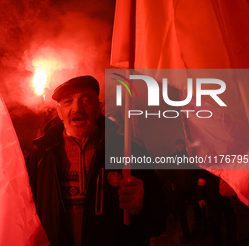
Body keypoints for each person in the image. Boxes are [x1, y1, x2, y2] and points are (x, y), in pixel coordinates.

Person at [25, 75, 166, 246]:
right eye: (68, 101)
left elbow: (158, 222)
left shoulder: (130, 151)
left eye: (86, 100)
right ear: (59, 112)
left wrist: (141, 207)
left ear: (98, 109)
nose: (77, 109)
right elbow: (23, 218)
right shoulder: (39, 158)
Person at [170, 139, 203, 244]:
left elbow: (196, 170)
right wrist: (174, 183)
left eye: (181, 143)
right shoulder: (172, 158)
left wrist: (194, 183)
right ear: (175, 145)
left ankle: (199, 228)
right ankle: (186, 234)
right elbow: (170, 172)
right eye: (178, 143)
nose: (179, 145)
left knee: (197, 209)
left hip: (191, 187)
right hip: (179, 188)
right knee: (182, 212)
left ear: (184, 145)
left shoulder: (191, 156)